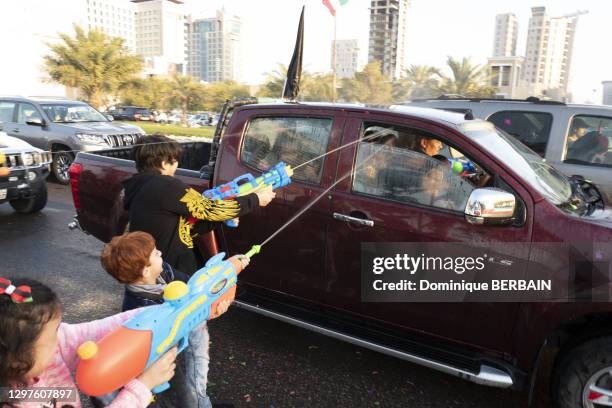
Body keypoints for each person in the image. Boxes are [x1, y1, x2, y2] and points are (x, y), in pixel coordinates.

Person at [100, 231, 246, 408]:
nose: (160, 253)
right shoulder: (138, 309)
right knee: (176, 392)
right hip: (160, 357)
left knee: (199, 361)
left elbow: (192, 287)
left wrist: (213, 303)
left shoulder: (163, 271)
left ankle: (200, 401)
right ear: (146, 270)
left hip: (182, 333)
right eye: (155, 253)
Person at [0, 276, 177, 407]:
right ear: (15, 359)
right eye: (53, 335)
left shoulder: (34, 359)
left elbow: (92, 331)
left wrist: (153, 316)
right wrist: (142, 387)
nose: (60, 337)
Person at [123, 134, 275, 276]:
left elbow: (184, 228)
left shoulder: (141, 186)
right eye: (175, 160)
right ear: (164, 163)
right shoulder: (166, 185)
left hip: (157, 267)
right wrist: (255, 199)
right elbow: (211, 208)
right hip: (170, 271)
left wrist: (221, 219)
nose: (176, 164)